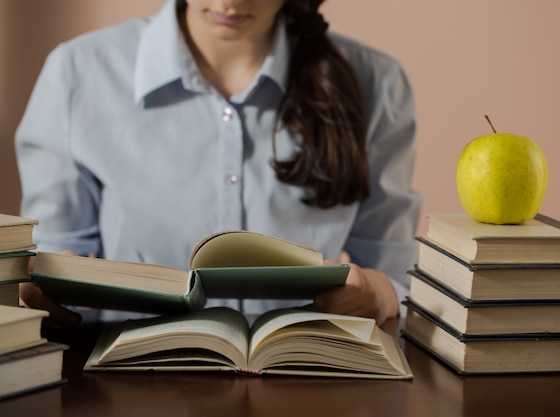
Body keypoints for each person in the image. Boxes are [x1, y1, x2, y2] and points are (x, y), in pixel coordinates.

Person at [15, 0, 421, 326]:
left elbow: (396, 275)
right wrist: (40, 285)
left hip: (308, 377)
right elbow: (49, 259)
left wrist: (378, 295)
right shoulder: (78, 72)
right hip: (125, 380)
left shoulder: (377, 83)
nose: (230, 1)